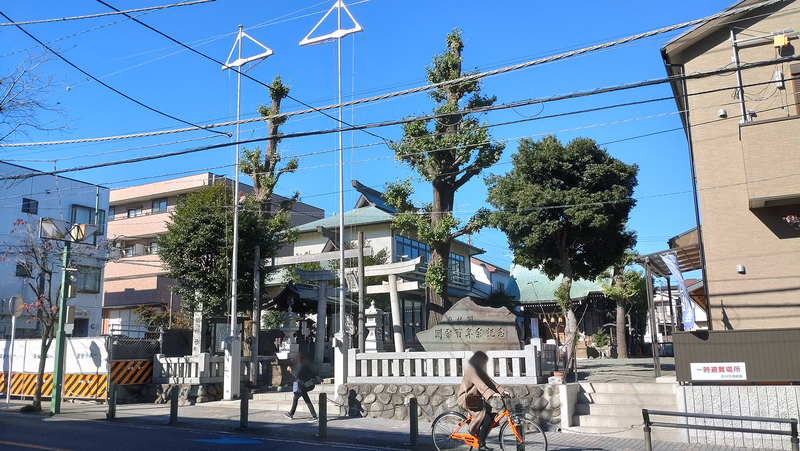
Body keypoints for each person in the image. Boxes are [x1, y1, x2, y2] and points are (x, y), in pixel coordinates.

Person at [457, 351, 507, 451]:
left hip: (476, 399)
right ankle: (480, 442)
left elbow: (490, 382)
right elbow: (481, 385)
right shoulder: (471, 371)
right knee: (487, 418)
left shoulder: (479, 370)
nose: (484, 364)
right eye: (483, 362)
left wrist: (503, 391)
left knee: (492, 414)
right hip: (467, 400)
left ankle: (479, 436)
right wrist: (492, 394)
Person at [284, 353, 318, 421]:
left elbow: (296, 374)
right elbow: (312, 374)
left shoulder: (300, 365)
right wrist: (320, 380)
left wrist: (290, 370)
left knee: (298, 398)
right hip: (305, 386)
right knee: (304, 399)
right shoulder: (305, 365)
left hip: (303, 386)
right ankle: (313, 415)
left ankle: (291, 414)